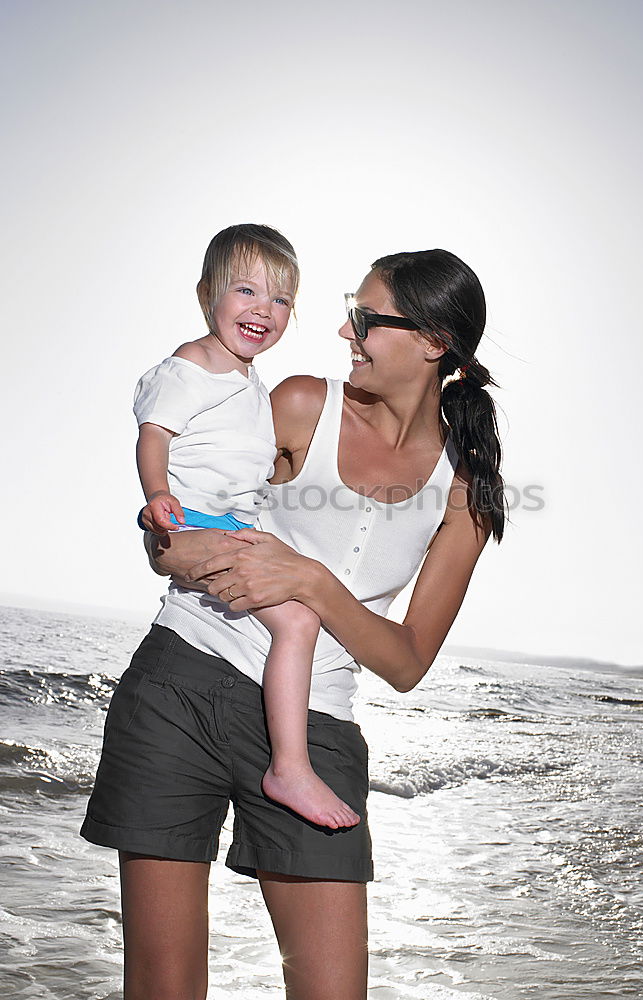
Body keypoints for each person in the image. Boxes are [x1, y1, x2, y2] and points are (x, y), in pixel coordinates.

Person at [80, 246, 506, 1000]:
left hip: (316, 731)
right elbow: (174, 530)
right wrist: (167, 535)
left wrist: (311, 582)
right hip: (179, 684)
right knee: (163, 987)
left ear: (434, 343)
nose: (345, 333)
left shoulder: (462, 489)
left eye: (365, 318)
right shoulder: (302, 403)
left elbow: (406, 664)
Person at [132, 222, 359, 828]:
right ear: (206, 293)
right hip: (193, 519)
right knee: (300, 619)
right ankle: (289, 766)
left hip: (229, 521)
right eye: (246, 291)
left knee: (296, 612)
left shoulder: (250, 381)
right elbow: (154, 435)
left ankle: (286, 759)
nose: (264, 310)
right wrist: (157, 496)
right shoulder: (193, 363)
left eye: (281, 300)